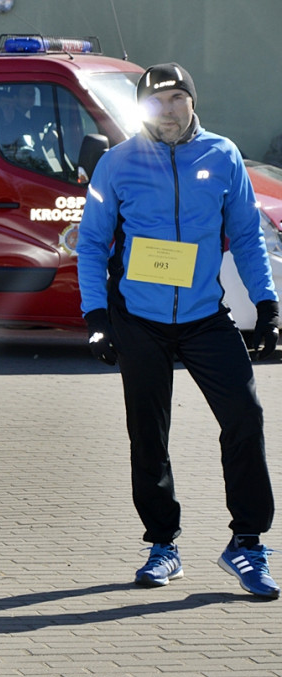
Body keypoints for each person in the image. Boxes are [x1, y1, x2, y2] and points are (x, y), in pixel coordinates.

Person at [76, 62, 281, 599]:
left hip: (204, 316)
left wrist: (267, 305)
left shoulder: (222, 155)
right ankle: (163, 545)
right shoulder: (117, 163)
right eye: (156, 101)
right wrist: (97, 318)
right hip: (138, 319)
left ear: (192, 102)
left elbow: (246, 235)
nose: (167, 111)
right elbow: (92, 243)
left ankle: (247, 543)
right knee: (148, 435)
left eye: (177, 100)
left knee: (245, 417)